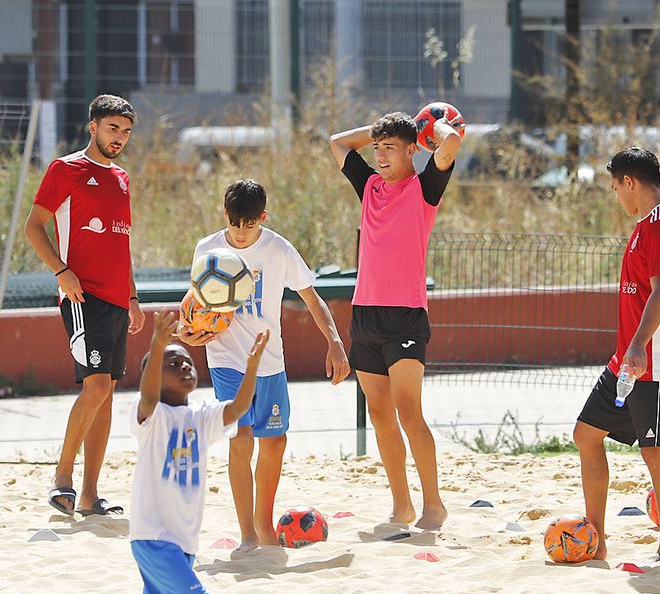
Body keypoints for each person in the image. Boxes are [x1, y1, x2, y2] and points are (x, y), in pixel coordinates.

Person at [86, 313, 267, 594]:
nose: (184, 365)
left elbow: (239, 409)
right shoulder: (150, 416)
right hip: (153, 540)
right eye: (172, 361)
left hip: (181, 547)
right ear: (152, 370)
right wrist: (157, 340)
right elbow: (148, 391)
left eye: (187, 361)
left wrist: (253, 366)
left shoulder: (201, 417)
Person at [180, 179, 350, 553]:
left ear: (263, 217)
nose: (241, 233)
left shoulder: (278, 248)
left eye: (250, 225)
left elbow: (311, 295)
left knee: (274, 442)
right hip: (226, 361)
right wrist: (187, 331)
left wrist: (334, 341)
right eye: (235, 224)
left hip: (270, 361)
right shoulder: (207, 249)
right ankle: (247, 536)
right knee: (241, 440)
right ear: (225, 215)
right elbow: (193, 304)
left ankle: (263, 524)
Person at [328, 110, 464, 529]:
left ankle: (434, 505)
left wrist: (429, 127)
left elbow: (453, 143)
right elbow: (337, 141)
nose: (382, 156)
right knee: (381, 415)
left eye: (391, 148)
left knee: (409, 412)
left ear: (412, 150)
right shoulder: (369, 184)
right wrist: (376, 131)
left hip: (405, 316)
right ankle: (402, 505)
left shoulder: (425, 188)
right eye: (378, 149)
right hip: (365, 314)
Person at [572, 146, 660, 561]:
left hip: (656, 364)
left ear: (630, 182)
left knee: (655, 453)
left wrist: (638, 344)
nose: (617, 197)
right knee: (586, 435)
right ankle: (596, 539)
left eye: (617, 188)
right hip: (629, 361)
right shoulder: (647, 224)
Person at [26, 94, 143, 517]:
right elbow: (33, 226)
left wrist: (132, 296)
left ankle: (91, 496)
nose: (120, 138)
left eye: (127, 132)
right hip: (82, 296)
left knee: (107, 395)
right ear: (92, 126)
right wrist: (61, 271)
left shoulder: (123, 178)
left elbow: (121, 242)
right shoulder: (66, 169)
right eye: (113, 128)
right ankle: (62, 478)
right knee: (94, 387)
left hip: (116, 299)